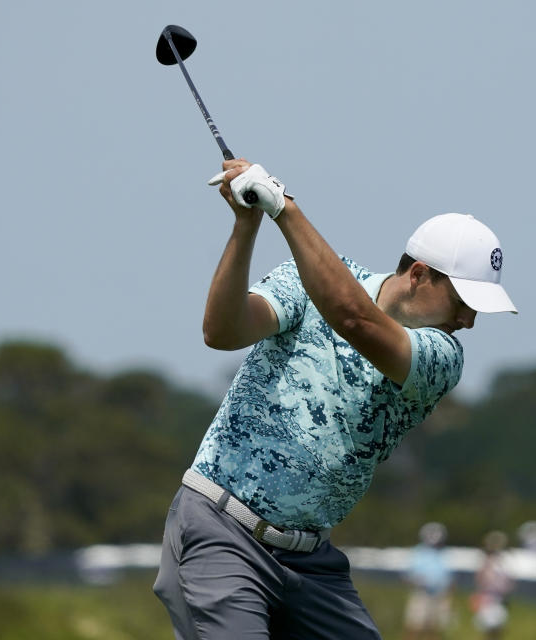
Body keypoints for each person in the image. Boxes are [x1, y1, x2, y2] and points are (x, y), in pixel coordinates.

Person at [152, 157, 517, 639]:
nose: (468, 321)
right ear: (420, 275)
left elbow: (355, 320)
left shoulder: (441, 357)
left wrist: (286, 208)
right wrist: (247, 226)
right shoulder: (307, 278)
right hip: (223, 528)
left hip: (310, 562)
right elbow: (221, 330)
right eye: (463, 302)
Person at [403, 522, 453, 640]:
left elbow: (450, 576)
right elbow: (407, 576)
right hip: (422, 593)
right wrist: (417, 581)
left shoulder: (445, 553)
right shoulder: (418, 552)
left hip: (441, 594)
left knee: (436, 627)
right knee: (415, 625)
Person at [471, 530, 514, 639]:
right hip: (487, 599)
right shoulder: (484, 561)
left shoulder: (505, 562)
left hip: (500, 599)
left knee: (498, 629)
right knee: (486, 628)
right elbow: (479, 581)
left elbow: (509, 583)